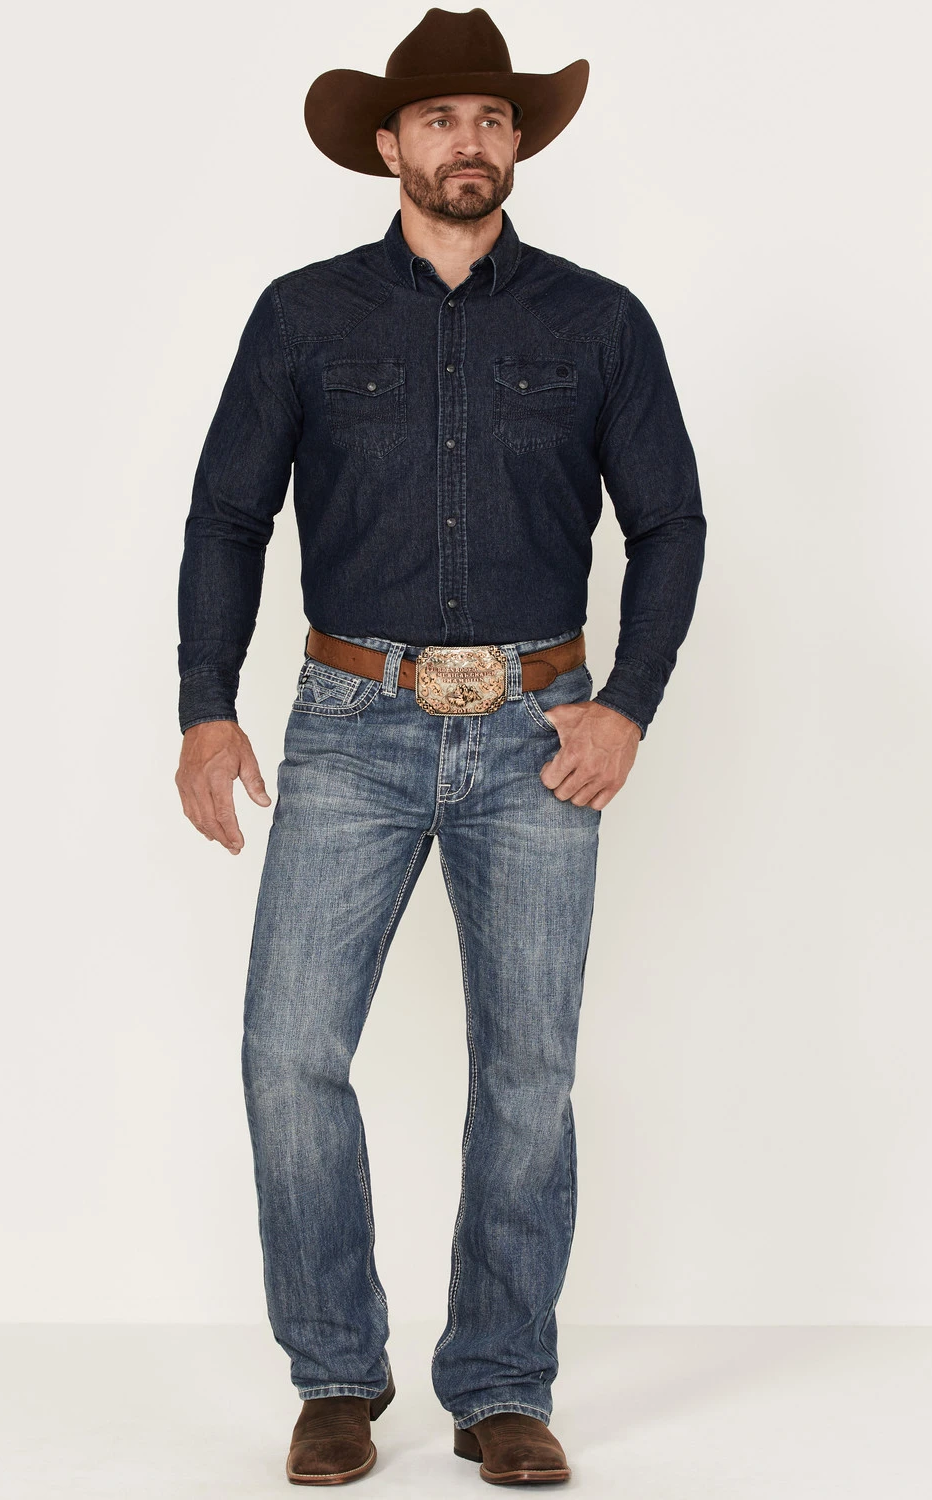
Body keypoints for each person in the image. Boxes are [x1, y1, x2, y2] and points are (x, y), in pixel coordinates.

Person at [174, 6, 706, 1487]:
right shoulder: (303, 315)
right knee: (290, 1054)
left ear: (516, 141)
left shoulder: (600, 322)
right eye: (438, 120)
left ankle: (501, 1387)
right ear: (389, 144)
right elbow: (228, 516)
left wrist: (628, 704)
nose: (466, 143)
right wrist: (204, 705)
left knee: (528, 1072)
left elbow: (669, 524)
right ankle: (337, 1376)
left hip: (542, 730)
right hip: (350, 727)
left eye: (491, 119)